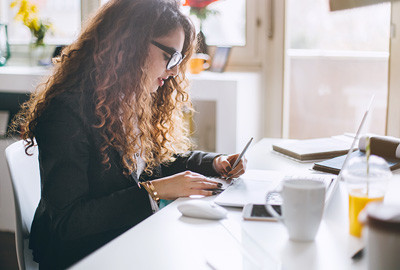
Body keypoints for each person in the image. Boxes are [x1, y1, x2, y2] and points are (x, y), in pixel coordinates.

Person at [13, 0, 247, 269]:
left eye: (178, 60)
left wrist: (213, 163)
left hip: (121, 238)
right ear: (130, 43)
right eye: (169, 56)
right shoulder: (67, 111)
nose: (172, 71)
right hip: (81, 255)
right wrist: (154, 191)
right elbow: (68, 222)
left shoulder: (126, 99)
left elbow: (149, 166)